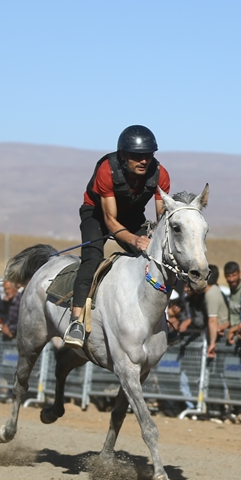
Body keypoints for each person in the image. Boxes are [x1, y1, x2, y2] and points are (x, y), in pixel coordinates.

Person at [64, 125, 170, 348]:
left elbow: (162, 216)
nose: (143, 161)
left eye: (148, 156)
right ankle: (76, 321)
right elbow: (110, 221)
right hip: (96, 214)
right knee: (92, 259)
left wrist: (156, 239)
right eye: (137, 156)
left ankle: (162, 319)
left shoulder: (161, 174)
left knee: (157, 260)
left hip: (132, 215)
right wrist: (135, 240)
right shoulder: (107, 170)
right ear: (123, 155)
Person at [203, 265, 233, 357]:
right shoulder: (214, 290)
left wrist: (212, 343)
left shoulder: (211, 293)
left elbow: (213, 320)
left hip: (221, 337)